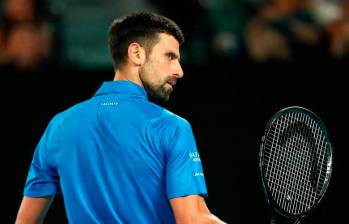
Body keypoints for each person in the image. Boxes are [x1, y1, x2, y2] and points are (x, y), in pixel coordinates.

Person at [15, 12, 226, 224]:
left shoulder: (59, 126)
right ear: (136, 53)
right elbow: (192, 219)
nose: (179, 71)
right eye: (170, 56)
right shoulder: (171, 127)